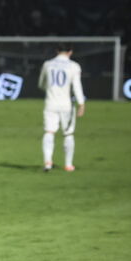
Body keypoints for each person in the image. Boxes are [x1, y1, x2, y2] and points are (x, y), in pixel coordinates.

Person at [38, 43, 85, 171]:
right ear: (70, 52)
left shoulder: (47, 64)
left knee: (49, 131)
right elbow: (77, 86)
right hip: (66, 104)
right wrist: (81, 103)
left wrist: (50, 90)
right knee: (68, 133)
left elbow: (41, 83)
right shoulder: (74, 66)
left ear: (56, 51)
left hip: (50, 102)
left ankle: (47, 162)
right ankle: (68, 164)